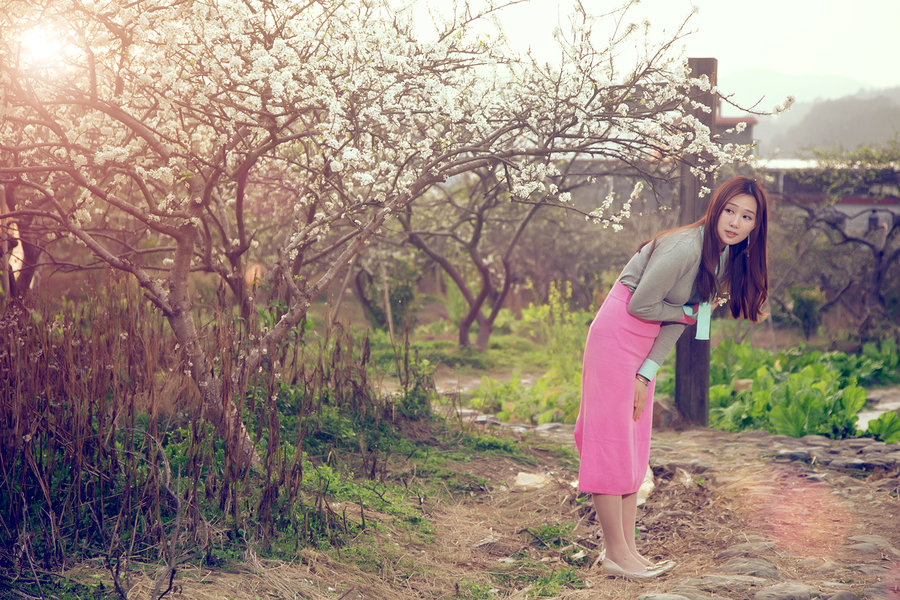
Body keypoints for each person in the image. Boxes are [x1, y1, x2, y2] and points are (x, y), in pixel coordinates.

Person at [573, 176, 769, 580]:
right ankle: (614, 554)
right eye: (729, 210)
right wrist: (685, 314)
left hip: (642, 345)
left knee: (632, 443)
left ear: (755, 226)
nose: (734, 222)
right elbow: (647, 304)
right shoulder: (686, 247)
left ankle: (628, 551)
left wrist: (647, 373)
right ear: (716, 208)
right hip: (618, 335)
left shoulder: (723, 257)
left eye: (746, 216)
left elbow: (683, 319)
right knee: (610, 440)